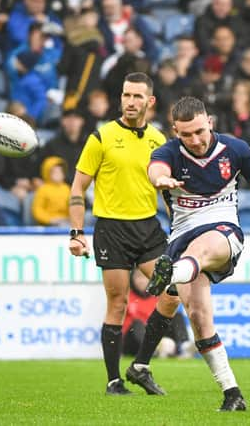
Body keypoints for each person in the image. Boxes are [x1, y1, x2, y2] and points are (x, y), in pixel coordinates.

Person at [144, 96, 250, 411]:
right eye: (185, 135)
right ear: (175, 132)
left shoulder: (235, 150)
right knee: (198, 316)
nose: (194, 140)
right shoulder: (166, 153)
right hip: (180, 238)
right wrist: (161, 179)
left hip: (222, 232)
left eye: (198, 131)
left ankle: (171, 273)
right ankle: (232, 394)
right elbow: (156, 168)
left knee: (203, 247)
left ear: (210, 122)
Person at [68, 72, 179, 396]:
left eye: (137, 96)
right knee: (117, 302)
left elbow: (168, 195)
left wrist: (184, 228)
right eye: (126, 95)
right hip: (111, 228)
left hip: (147, 228)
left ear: (150, 101)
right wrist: (77, 232)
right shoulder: (101, 138)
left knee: (172, 292)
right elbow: (78, 186)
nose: (130, 102)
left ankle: (140, 366)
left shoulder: (159, 142)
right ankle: (113, 380)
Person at [31, 156, 70, 226]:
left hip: (66, 221)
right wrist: (50, 220)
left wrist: (70, 218)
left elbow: (72, 207)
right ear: (47, 172)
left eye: (60, 171)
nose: (58, 174)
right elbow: (37, 210)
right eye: (54, 172)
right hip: (49, 223)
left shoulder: (67, 189)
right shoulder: (43, 189)